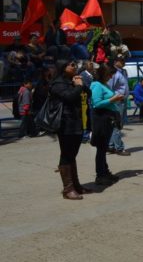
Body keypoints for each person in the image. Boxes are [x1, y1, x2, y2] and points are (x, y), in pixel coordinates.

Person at [50, 60, 93, 200]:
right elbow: (70, 97)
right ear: (63, 68)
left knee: (72, 155)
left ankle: (76, 185)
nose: (75, 67)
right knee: (66, 155)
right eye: (72, 65)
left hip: (77, 122)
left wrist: (82, 84)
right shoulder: (58, 84)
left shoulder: (72, 81)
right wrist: (79, 87)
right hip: (65, 124)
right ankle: (67, 189)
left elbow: (89, 93)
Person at [89, 64, 123, 186]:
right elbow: (96, 103)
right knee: (101, 148)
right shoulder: (96, 85)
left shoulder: (104, 84)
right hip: (101, 119)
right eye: (109, 75)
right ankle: (100, 175)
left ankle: (105, 171)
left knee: (103, 148)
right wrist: (112, 100)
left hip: (108, 118)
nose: (110, 77)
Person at [107, 56, 130, 156]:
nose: (123, 62)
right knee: (117, 124)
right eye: (121, 60)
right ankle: (119, 147)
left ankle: (111, 145)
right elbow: (109, 87)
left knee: (117, 124)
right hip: (117, 101)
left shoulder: (123, 72)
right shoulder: (113, 73)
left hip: (122, 100)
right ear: (115, 61)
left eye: (124, 60)